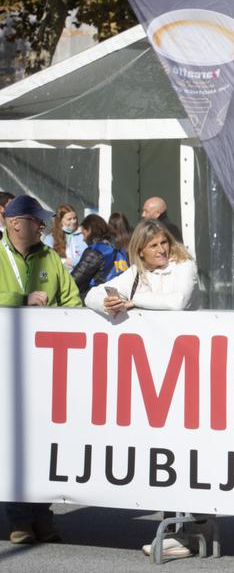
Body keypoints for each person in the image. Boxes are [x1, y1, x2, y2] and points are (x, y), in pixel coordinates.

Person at [1, 194, 81, 545]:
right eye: (37, 221)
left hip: (45, 369)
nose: (44, 227)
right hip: (7, 365)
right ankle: (19, 517)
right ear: (16, 223)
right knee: (13, 443)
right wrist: (22, 301)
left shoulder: (50, 257)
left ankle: (41, 515)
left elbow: (72, 301)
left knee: (41, 443)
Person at [84, 219, 198, 315]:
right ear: (141, 251)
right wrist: (106, 303)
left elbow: (178, 302)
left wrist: (135, 300)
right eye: (153, 245)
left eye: (164, 242)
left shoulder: (184, 265)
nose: (162, 250)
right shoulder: (136, 271)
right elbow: (91, 295)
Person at [70, 214, 129, 299]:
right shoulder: (119, 249)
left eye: (83, 233)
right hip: (120, 297)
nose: (83, 239)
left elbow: (74, 280)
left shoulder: (95, 251)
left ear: (89, 230)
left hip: (97, 300)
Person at [42, 203, 88, 269]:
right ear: (60, 221)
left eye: (74, 218)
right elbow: (46, 260)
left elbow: (88, 258)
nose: (73, 221)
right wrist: (62, 262)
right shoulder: (50, 238)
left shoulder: (83, 235)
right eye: (69, 219)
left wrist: (70, 261)